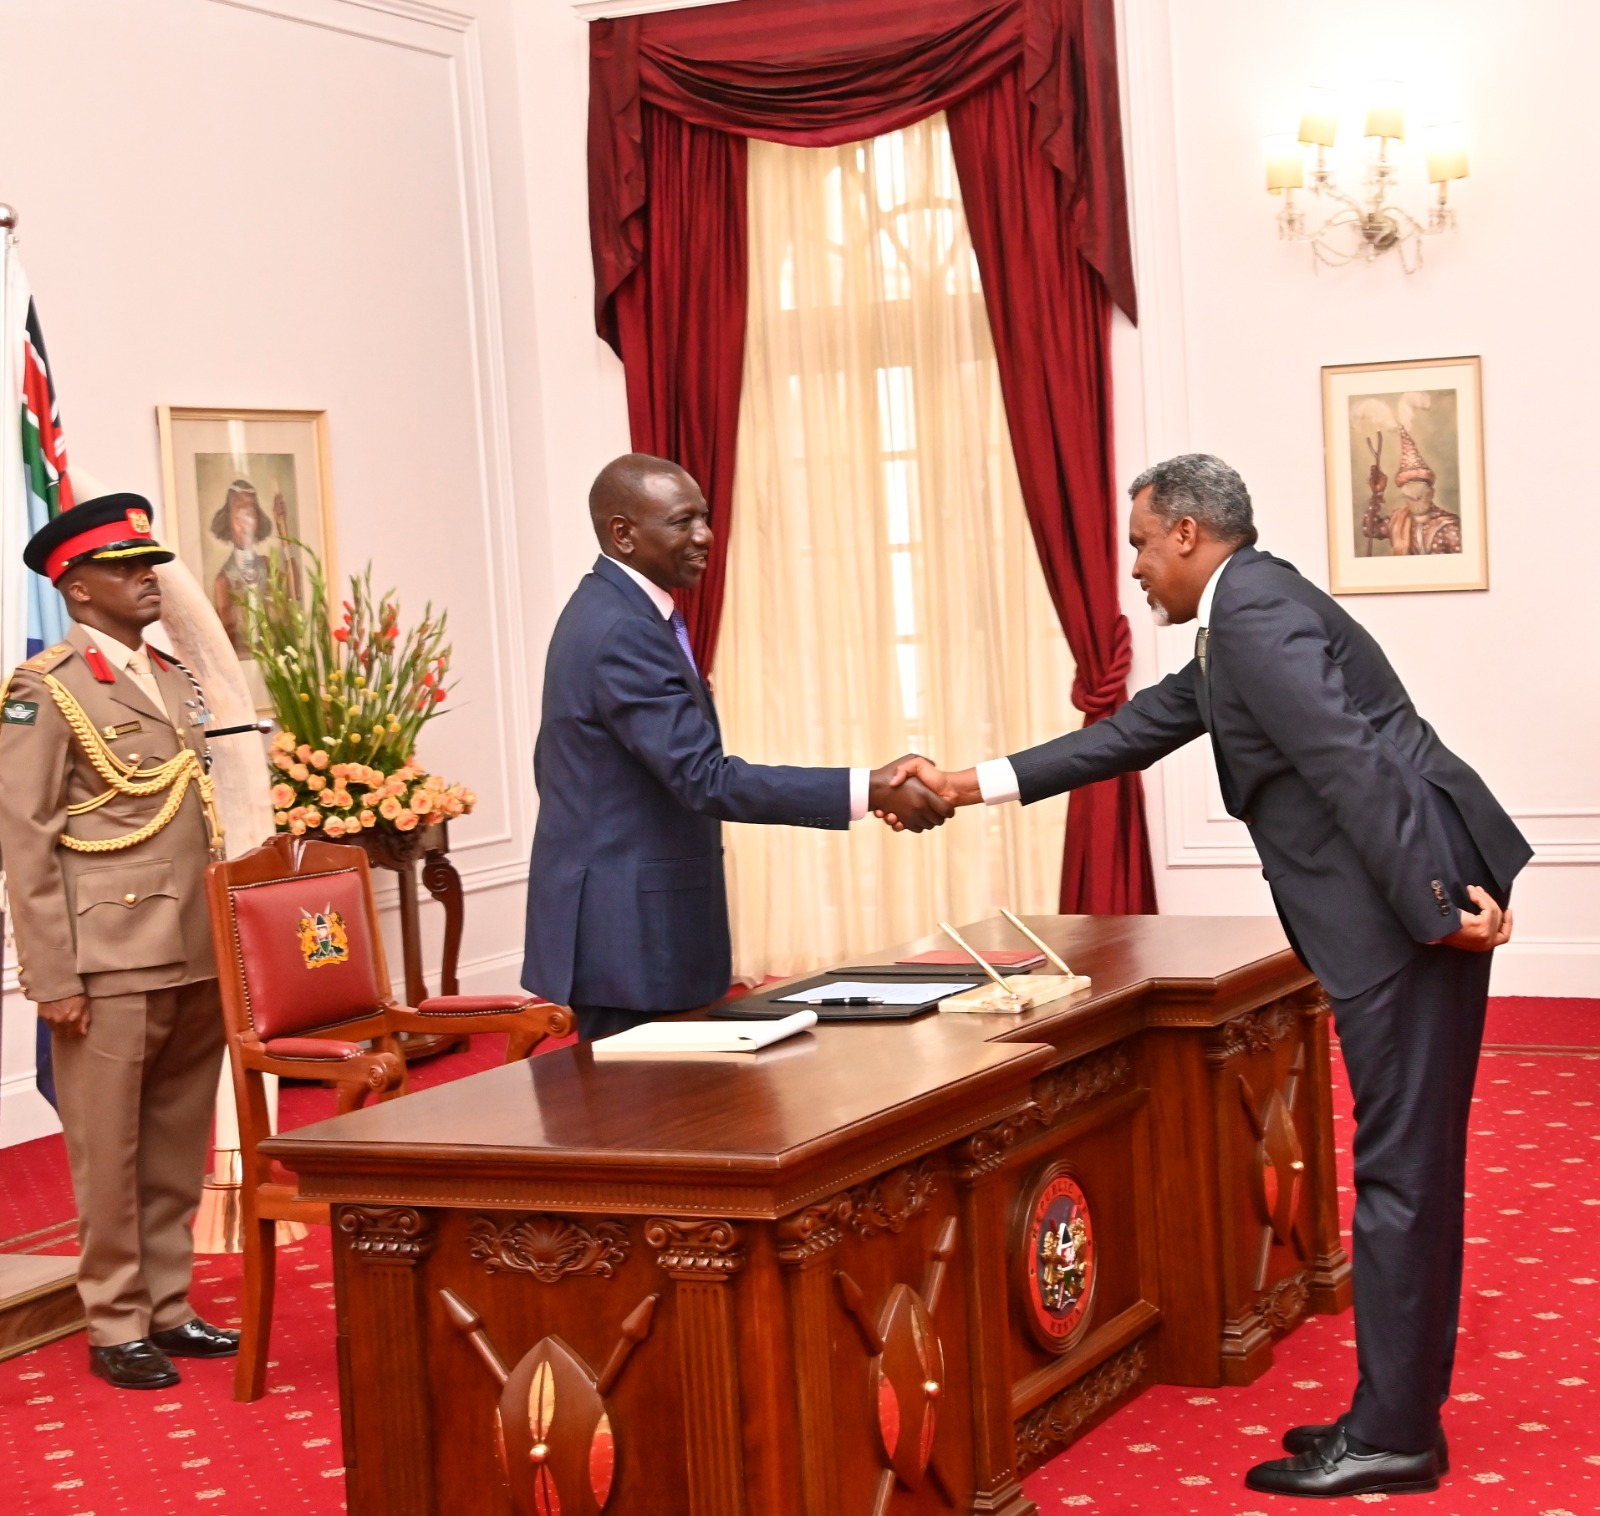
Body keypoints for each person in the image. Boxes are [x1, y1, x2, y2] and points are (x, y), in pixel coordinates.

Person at [886, 454, 1530, 1499]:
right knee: (1401, 1172)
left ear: (1186, 532)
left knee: (1401, 1177)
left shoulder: (1256, 614)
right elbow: (1136, 733)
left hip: (1402, 919)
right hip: (1397, 908)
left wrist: (1433, 904)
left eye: (1139, 543)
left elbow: (1350, 763)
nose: (1133, 568)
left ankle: (1396, 1434)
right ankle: (1389, 1414)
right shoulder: (1242, 616)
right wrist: (967, 784)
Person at [521, 453, 951, 1041]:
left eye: (704, 517)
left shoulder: (614, 611)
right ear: (623, 533)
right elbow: (705, 778)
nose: (705, 536)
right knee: (651, 1122)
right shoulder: (622, 628)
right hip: (631, 935)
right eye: (682, 522)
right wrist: (867, 787)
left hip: (629, 923)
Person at [0, 494, 239, 1390]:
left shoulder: (169, 675)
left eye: (150, 562)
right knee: (109, 1149)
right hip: (106, 958)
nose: (149, 578)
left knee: (177, 1137)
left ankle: (169, 1305)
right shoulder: (43, 690)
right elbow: (24, 842)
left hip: (192, 946)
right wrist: (50, 974)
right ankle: (113, 1319)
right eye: (127, 566)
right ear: (77, 586)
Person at [208, 478, 274, 649]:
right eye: (238, 514)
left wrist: (283, 526)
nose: (245, 523)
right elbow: (225, 639)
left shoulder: (267, 566)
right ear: (228, 520)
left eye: (250, 513)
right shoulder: (223, 581)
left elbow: (294, 595)